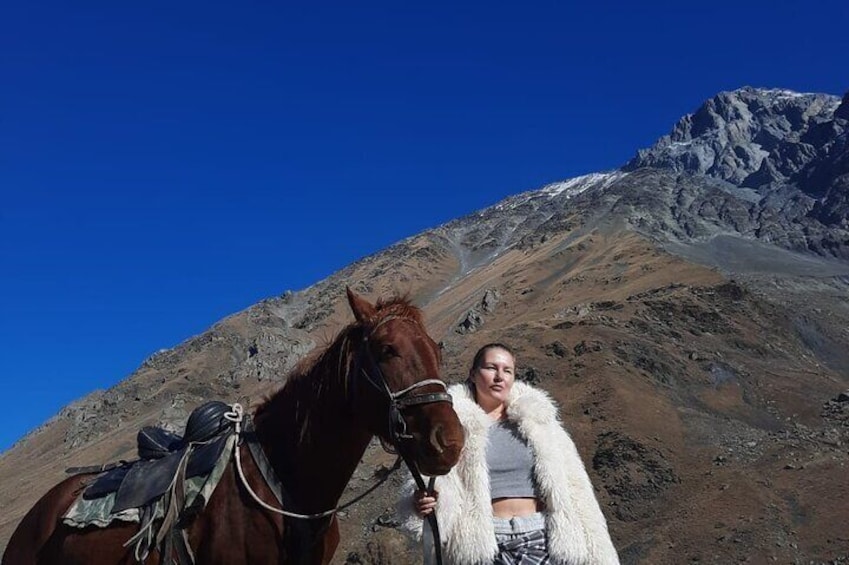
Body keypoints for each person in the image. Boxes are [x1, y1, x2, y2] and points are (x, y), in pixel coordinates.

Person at [398, 343, 619, 564]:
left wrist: (599, 553)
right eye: (491, 368)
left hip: (539, 537)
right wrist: (422, 502)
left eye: (507, 370)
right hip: (481, 545)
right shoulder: (454, 427)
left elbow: (575, 488)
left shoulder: (538, 422)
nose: (499, 376)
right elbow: (432, 482)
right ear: (473, 374)